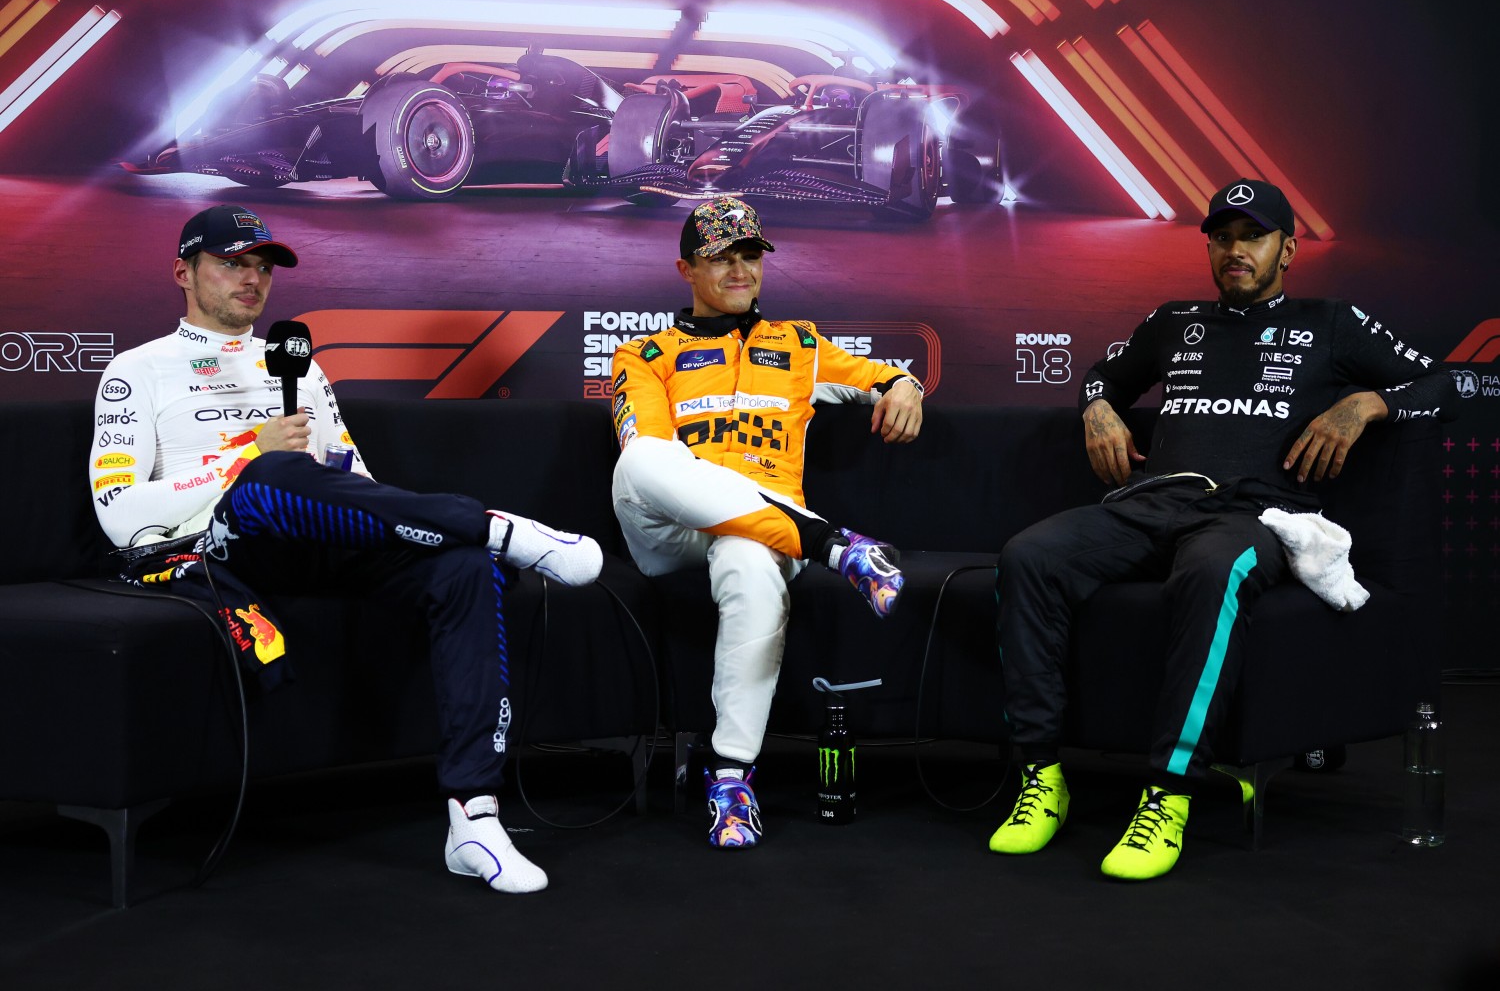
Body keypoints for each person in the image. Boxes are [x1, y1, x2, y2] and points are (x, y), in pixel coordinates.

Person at [88, 204, 604, 894]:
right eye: (232, 263)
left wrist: (309, 474)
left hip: (321, 538)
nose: (253, 279)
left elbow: (356, 486)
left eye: (263, 267)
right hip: (224, 549)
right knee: (271, 473)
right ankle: (495, 526)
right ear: (184, 271)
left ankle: (474, 816)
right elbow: (120, 517)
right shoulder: (136, 371)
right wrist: (246, 458)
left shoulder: (299, 365)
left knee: (461, 568)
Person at [988, 179, 1458, 880]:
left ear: (1287, 249)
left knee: (1214, 572)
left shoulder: (1329, 321)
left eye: (1254, 237)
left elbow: (1445, 384)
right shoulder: (1174, 320)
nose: (1235, 250)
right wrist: (1098, 409)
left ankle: (1168, 794)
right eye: (1223, 236)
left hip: (1254, 515)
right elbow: (1100, 377)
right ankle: (1040, 780)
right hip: (1151, 504)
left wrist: (1363, 405)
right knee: (1028, 556)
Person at [609, 197, 924, 849]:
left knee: (749, 559)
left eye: (749, 255)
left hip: (760, 540)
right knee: (641, 457)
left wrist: (905, 385)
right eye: (720, 257)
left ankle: (730, 779)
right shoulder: (644, 354)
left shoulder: (800, 345)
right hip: (673, 534)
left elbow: (883, 375)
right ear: (685, 269)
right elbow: (653, 462)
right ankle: (840, 548)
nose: (739, 270)